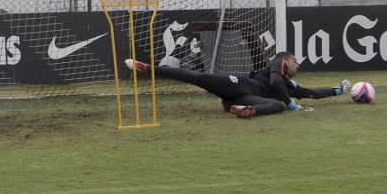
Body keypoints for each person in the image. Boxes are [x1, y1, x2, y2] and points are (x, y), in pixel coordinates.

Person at [125, 51, 350, 118]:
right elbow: (274, 82)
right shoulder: (276, 65)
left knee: (277, 106)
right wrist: (291, 103)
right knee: (197, 78)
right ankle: (146, 68)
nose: (297, 65)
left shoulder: (288, 85)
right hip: (239, 85)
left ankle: (248, 111)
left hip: (241, 100)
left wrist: (335, 91)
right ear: (284, 60)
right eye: (294, 61)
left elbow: (310, 93)